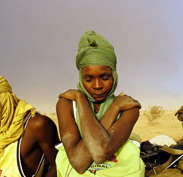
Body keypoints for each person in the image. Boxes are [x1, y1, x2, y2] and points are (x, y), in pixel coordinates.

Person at [55, 30, 145, 176]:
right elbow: (78, 163)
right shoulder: (67, 104)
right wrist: (82, 99)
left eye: (105, 77)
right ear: (80, 78)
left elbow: (100, 152)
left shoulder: (128, 108)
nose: (97, 85)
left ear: (114, 76)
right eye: (89, 79)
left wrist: (115, 106)